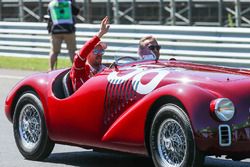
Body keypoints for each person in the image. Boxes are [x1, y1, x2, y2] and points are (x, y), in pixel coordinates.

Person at [70, 16, 110, 92]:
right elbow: (79, 56)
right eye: (95, 51)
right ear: (87, 54)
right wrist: (100, 34)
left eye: (101, 52)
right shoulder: (80, 69)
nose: (99, 54)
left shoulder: (105, 69)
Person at [47, 0, 79, 70]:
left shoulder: (51, 4)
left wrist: (49, 30)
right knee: (72, 51)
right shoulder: (68, 3)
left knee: (54, 51)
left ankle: (51, 69)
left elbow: (49, 17)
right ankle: (76, 69)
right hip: (68, 29)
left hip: (56, 29)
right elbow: (76, 12)